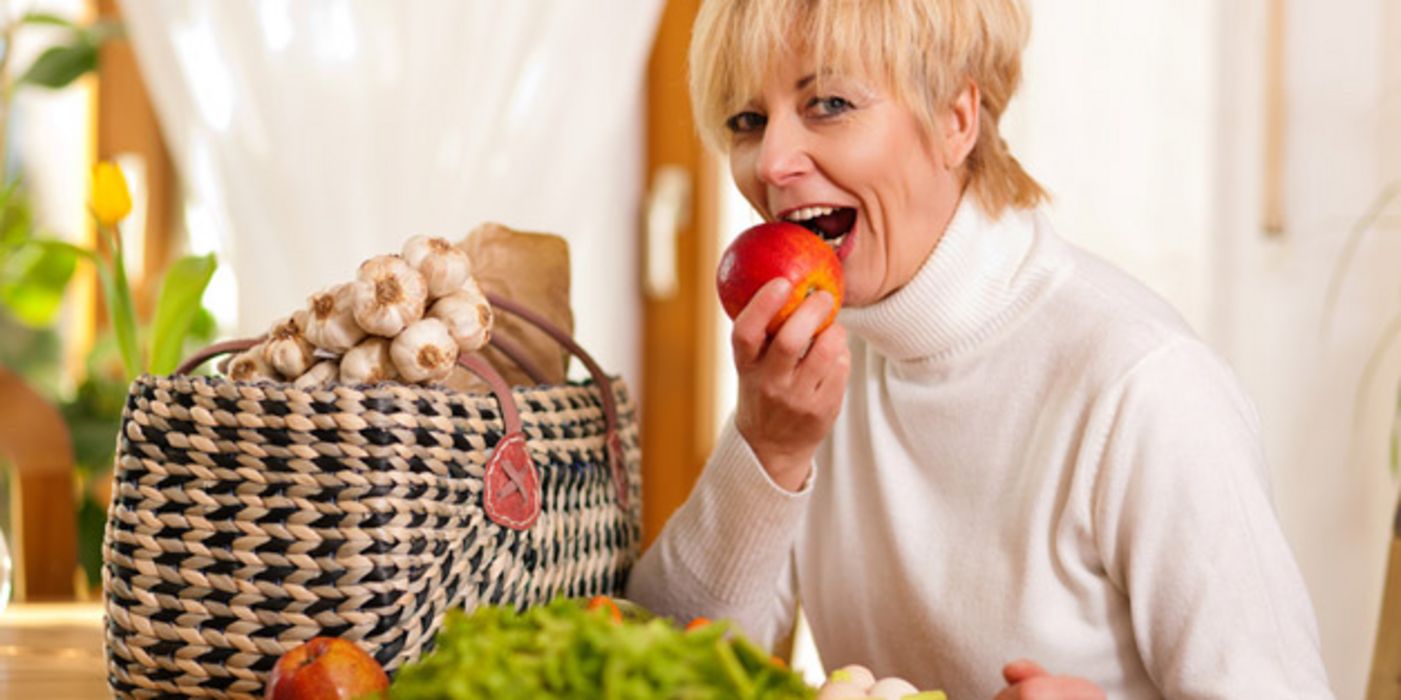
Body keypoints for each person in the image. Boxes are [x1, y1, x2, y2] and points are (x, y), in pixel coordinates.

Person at [625, 0, 1334, 698]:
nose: (772, 161)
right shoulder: (813, 376)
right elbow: (652, 668)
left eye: (829, 104)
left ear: (955, 120)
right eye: (747, 121)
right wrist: (766, 452)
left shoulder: (1143, 384)